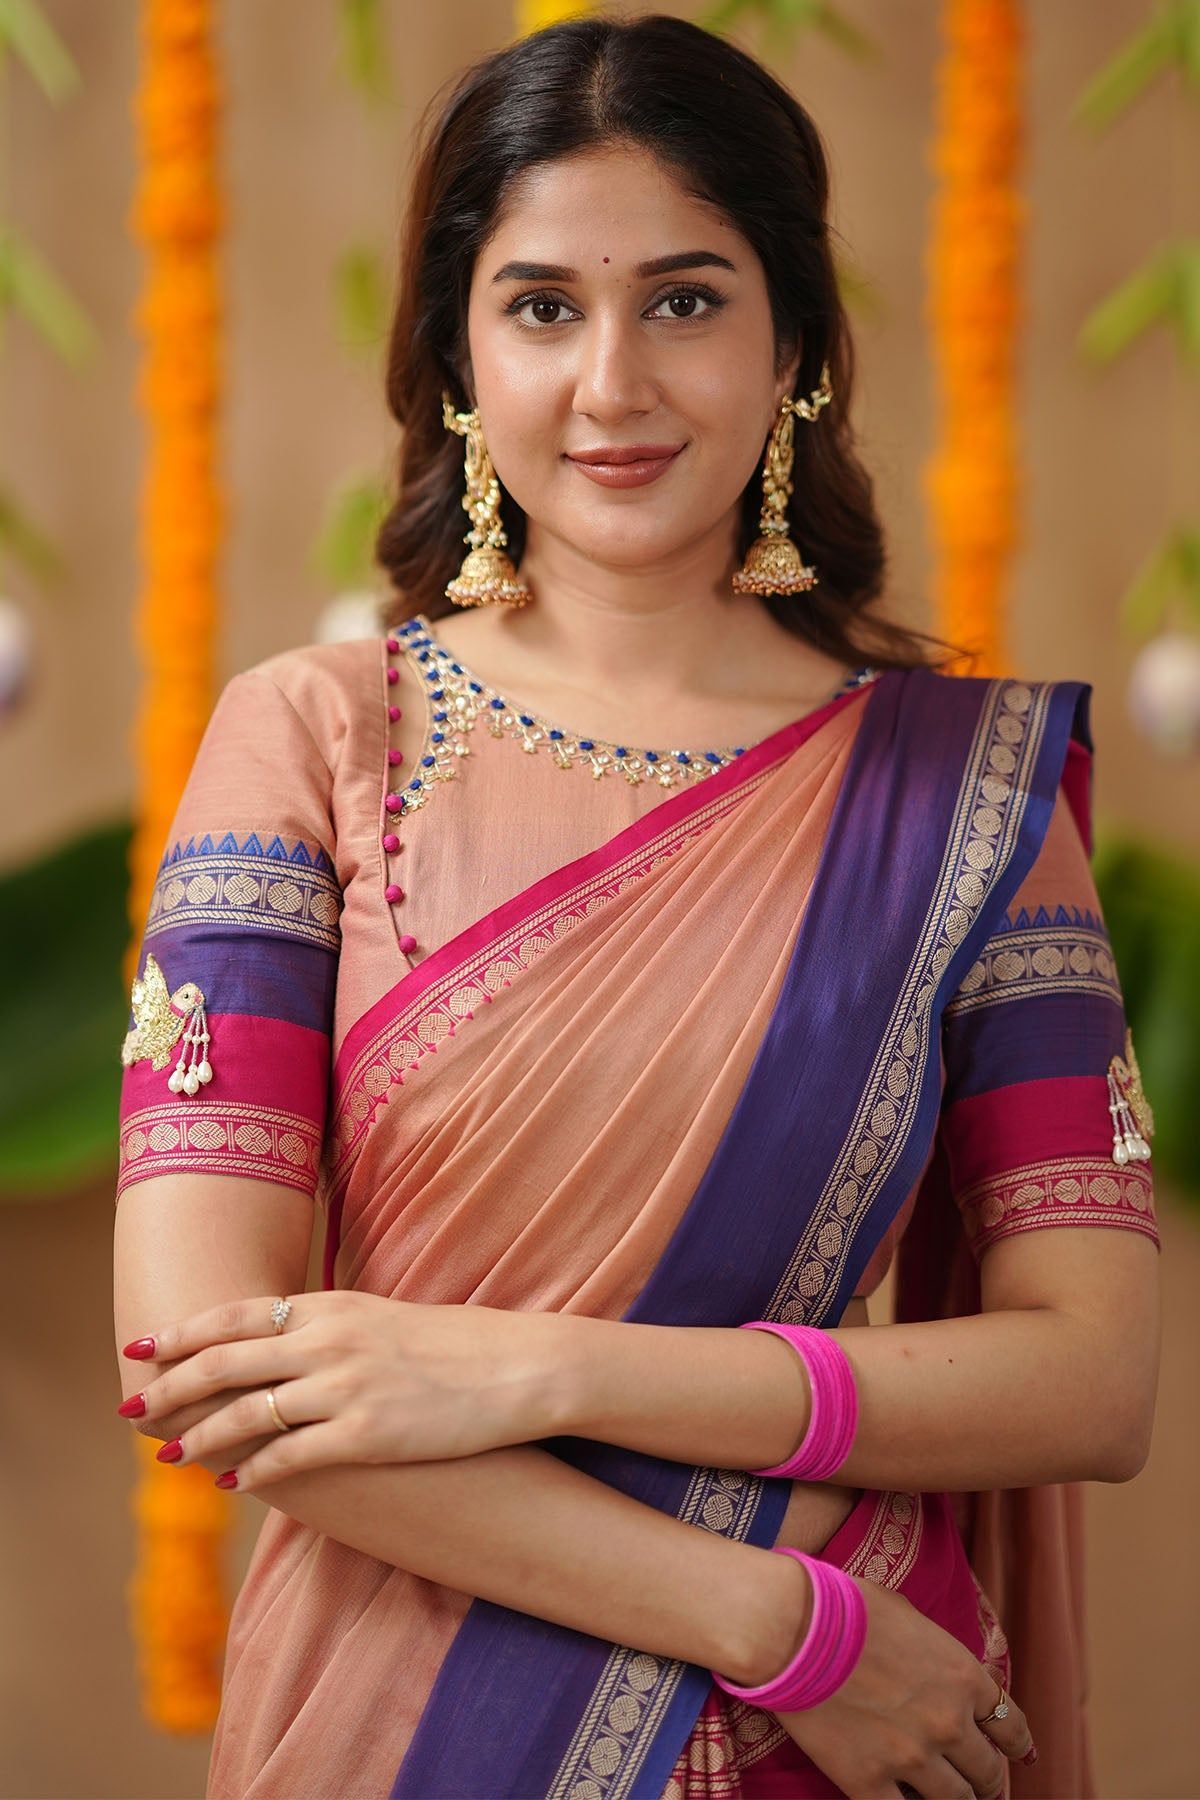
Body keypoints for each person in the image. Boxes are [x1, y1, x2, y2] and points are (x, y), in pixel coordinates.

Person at [112, 16, 1161, 1799]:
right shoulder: (316, 738)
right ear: (454, 350)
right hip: (450, 1707)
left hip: (829, 1753)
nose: (612, 383)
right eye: (539, 306)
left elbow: (1090, 1381)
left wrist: (524, 1369)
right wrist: (777, 1626)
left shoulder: (960, 796)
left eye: (685, 299)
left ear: (798, 351)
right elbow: (200, 1367)